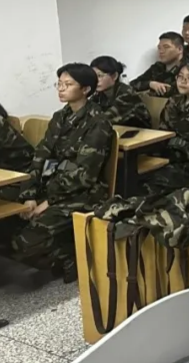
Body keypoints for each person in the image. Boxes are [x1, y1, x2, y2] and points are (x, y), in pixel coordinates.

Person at [11, 63, 115, 282]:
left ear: (85, 89)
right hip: (55, 184)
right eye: (59, 84)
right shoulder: (60, 117)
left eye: (68, 84)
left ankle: (71, 255)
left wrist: (49, 201)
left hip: (84, 192)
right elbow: (40, 157)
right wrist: (29, 194)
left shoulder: (97, 122)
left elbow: (85, 174)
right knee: (5, 224)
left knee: (23, 244)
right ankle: (63, 249)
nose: (61, 89)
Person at [141, 61, 189, 193]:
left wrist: (169, 144)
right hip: (166, 155)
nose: (183, 81)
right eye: (180, 76)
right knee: (136, 173)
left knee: (156, 180)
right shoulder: (174, 101)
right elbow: (162, 133)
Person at [90, 56, 153, 128]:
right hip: (117, 130)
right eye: (93, 76)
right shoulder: (99, 95)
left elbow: (106, 117)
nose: (96, 80)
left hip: (140, 131)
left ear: (114, 76)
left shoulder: (127, 94)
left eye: (99, 76)